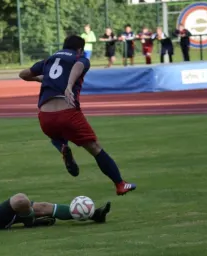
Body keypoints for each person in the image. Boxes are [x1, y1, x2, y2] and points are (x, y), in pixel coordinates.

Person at [18, 35, 136, 196]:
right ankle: (120, 184)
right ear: (80, 49)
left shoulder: (49, 60)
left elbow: (23, 74)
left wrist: (45, 80)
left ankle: (62, 147)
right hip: (67, 113)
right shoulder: (80, 58)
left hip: (45, 117)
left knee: (55, 135)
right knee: (95, 148)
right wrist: (68, 85)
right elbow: (78, 66)